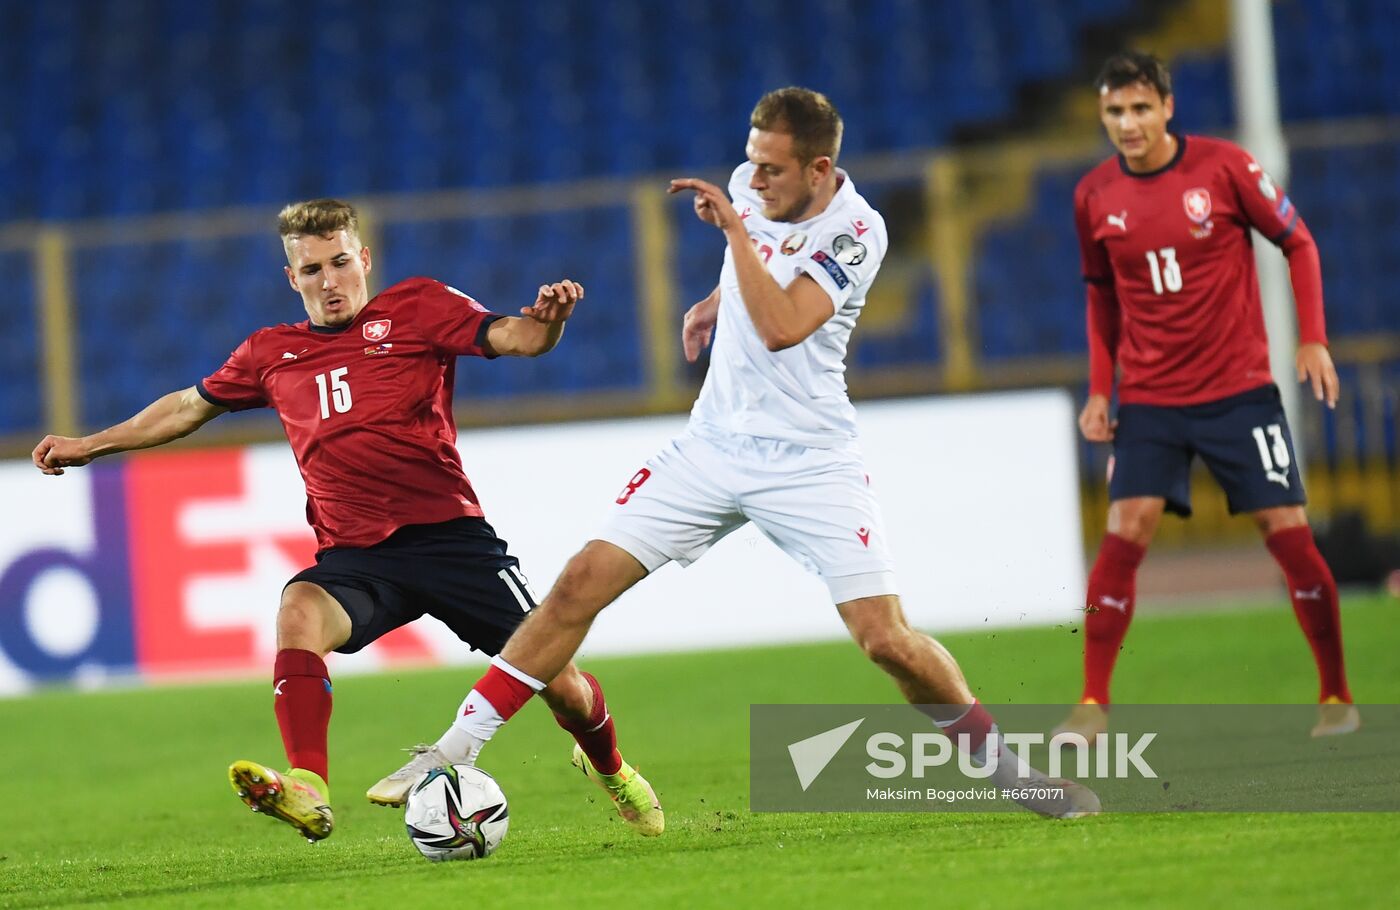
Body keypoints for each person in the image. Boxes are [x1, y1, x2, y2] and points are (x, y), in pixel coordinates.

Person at [376, 87, 1098, 819]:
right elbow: (756, 279)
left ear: (819, 169)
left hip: (809, 458)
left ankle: (1014, 776)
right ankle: (453, 750)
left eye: (773, 170)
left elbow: (786, 323)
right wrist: (712, 305)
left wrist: (733, 237)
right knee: (576, 585)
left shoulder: (857, 231)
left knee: (887, 641)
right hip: (712, 445)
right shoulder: (754, 189)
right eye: (750, 163)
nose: (754, 181)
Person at [31, 198, 662, 843]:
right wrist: (90, 445)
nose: (329, 281)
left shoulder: (417, 307)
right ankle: (307, 785)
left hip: (451, 540)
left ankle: (610, 767)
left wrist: (549, 323)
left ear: (363, 259)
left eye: (339, 263)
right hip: (358, 557)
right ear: (292, 279)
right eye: (311, 270)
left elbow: (518, 337)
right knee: (299, 608)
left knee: (563, 686)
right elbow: (186, 408)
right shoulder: (271, 354)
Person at [1055, 52, 1358, 741]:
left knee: (1286, 533)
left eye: (1139, 108)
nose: (1127, 124)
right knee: (1123, 530)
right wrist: (1102, 391)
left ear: (1167, 106)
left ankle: (1336, 693)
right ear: (1102, 116)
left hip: (1238, 391)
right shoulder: (1094, 196)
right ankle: (1092, 703)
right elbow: (1101, 299)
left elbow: (1298, 242)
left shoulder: (1224, 168)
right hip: (1151, 399)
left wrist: (1313, 339)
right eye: (1113, 112)